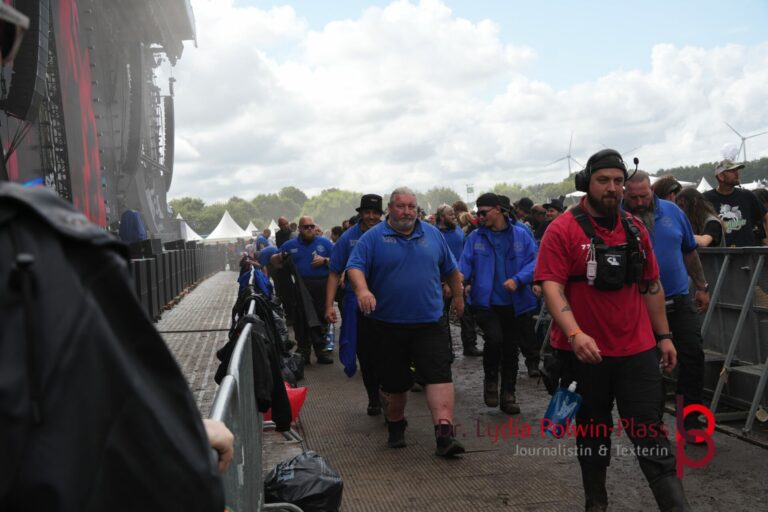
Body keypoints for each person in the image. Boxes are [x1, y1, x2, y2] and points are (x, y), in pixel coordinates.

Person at [535, 149, 689, 510]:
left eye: (618, 181)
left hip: (636, 350)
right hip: (584, 354)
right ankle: (596, 503)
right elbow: (552, 287)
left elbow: (651, 285)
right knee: (593, 432)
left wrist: (664, 337)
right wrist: (575, 334)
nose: (612, 188)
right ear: (586, 183)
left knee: (650, 433)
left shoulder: (635, 228)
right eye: (603, 180)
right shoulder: (562, 229)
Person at [346, 187, 466, 457]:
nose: (407, 212)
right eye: (401, 206)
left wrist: (458, 297)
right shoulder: (373, 237)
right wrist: (362, 291)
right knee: (395, 385)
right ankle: (396, 424)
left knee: (439, 376)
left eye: (411, 206)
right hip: (387, 325)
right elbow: (354, 267)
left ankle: (445, 436)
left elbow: (451, 269)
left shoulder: (433, 234)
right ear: (390, 209)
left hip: (430, 321)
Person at [624, 171, 710, 434]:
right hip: (640, 306)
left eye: (644, 196)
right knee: (648, 367)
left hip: (679, 299)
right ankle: (654, 424)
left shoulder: (672, 211)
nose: (640, 202)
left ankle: (690, 420)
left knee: (693, 357)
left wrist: (701, 286)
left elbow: (689, 250)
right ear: (625, 194)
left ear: (651, 190)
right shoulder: (617, 217)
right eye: (633, 198)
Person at [459, 193, 538, 414]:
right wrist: (457, 283)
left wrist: (518, 279)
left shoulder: (521, 234)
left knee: (511, 349)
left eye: (484, 212)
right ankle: (491, 380)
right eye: (478, 213)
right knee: (494, 340)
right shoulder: (475, 238)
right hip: (486, 303)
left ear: (498, 210)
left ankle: (508, 394)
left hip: (516, 303)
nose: (480, 217)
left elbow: (536, 261)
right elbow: (464, 265)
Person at [325, 194, 384, 415]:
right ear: (360, 213)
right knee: (365, 353)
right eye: (367, 212)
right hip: (357, 304)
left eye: (375, 212)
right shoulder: (348, 237)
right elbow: (334, 272)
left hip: (388, 302)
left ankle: (389, 393)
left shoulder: (390, 233)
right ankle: (374, 398)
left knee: (389, 351)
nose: (371, 216)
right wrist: (329, 306)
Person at [272, 216, 334, 364]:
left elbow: (339, 261)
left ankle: (321, 352)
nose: (310, 229)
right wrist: (280, 256)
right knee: (301, 320)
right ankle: (304, 352)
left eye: (312, 226)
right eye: (306, 227)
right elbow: (274, 260)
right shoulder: (290, 244)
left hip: (321, 286)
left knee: (321, 318)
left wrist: (325, 260)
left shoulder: (325, 242)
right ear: (299, 229)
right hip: (300, 286)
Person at [436, 204, 482, 358]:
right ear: (442, 217)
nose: (454, 217)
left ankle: (470, 345)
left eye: (453, 214)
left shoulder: (458, 231)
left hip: (460, 277)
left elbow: (465, 255)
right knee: (442, 317)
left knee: (466, 314)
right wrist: (445, 282)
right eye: (450, 214)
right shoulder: (435, 233)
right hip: (441, 281)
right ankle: (446, 349)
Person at [703, 159, 768, 246]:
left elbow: (765, 217)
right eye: (732, 171)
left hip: (747, 252)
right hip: (720, 252)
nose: (737, 173)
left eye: (737, 170)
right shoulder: (706, 199)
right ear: (721, 176)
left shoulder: (747, 196)